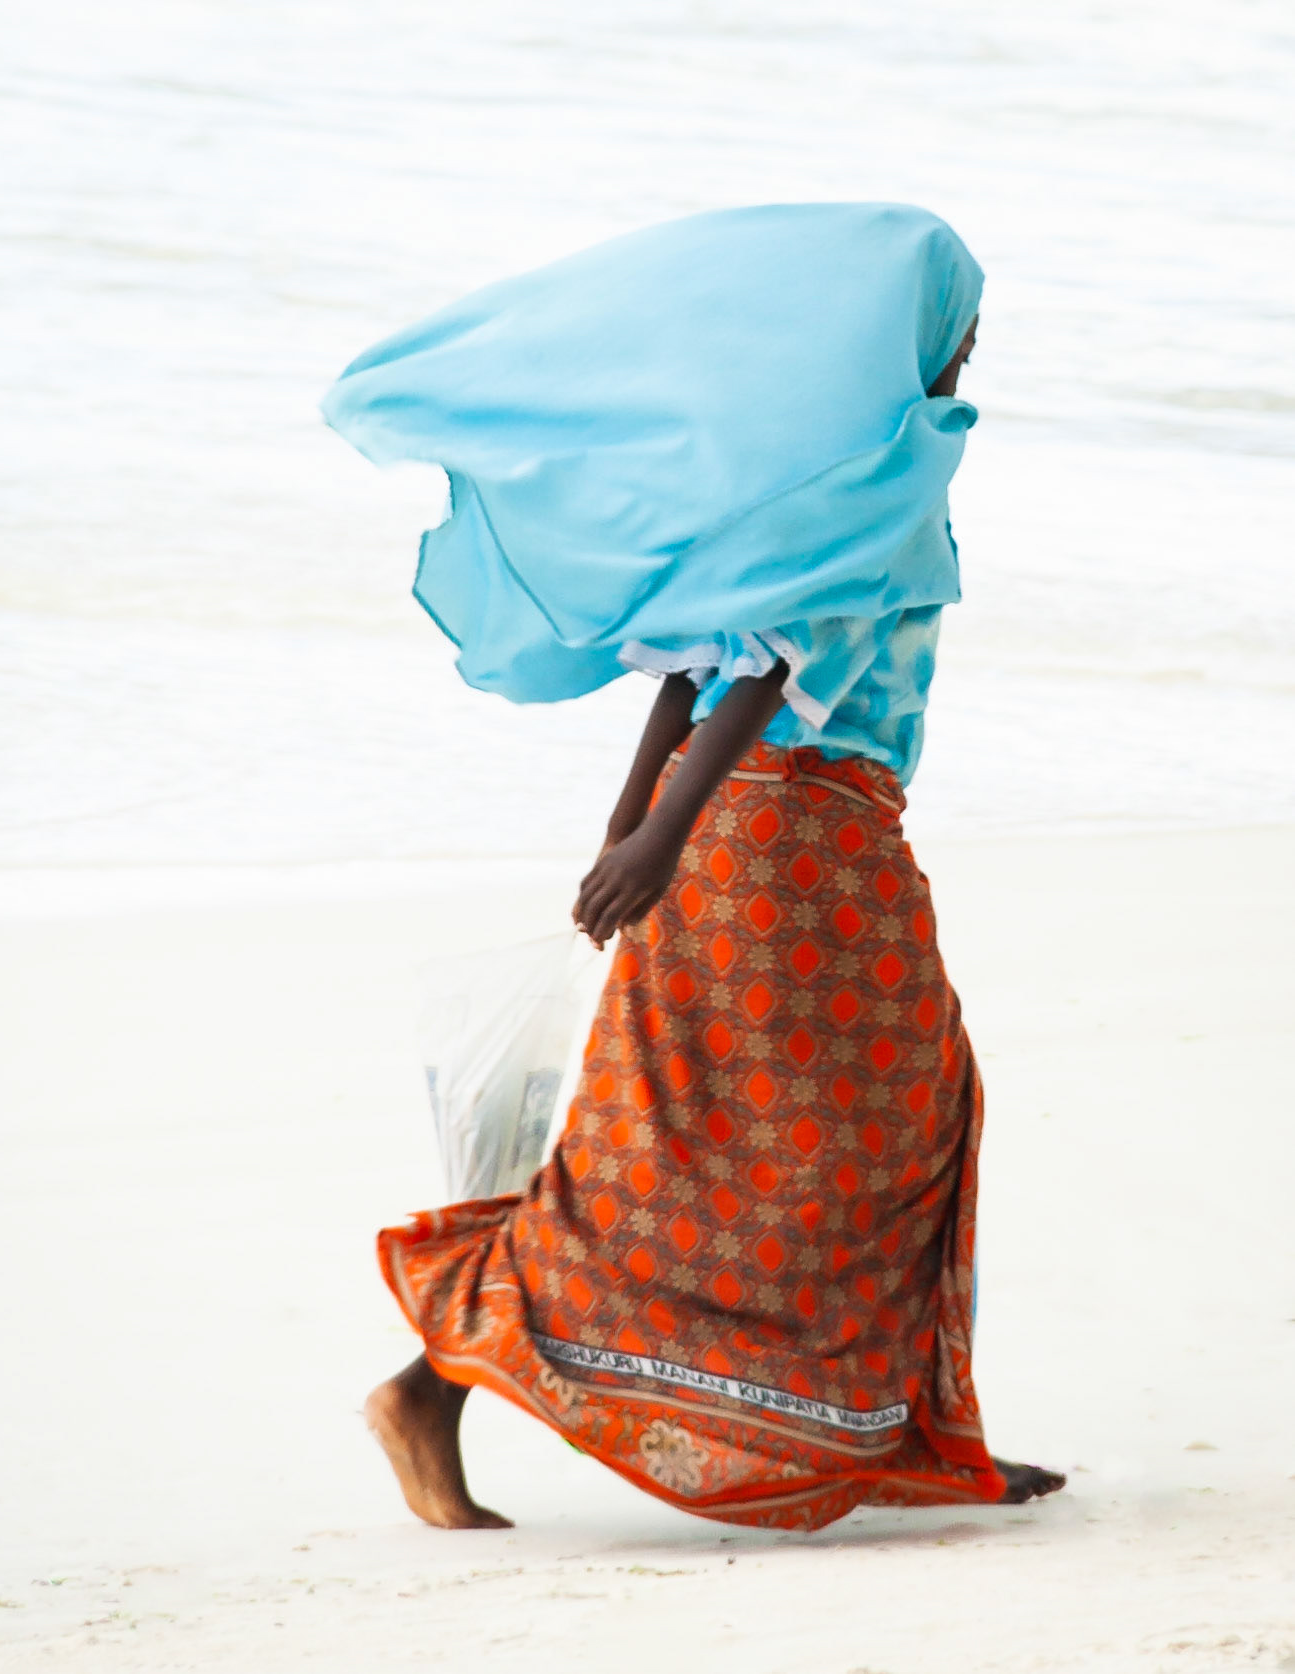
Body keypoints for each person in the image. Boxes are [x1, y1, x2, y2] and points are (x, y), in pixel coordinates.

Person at [322, 203, 1066, 1531]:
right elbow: (769, 660)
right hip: (796, 843)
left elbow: (695, 660)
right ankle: (447, 1382)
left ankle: (899, 1431)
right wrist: (653, 837)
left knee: (700, 1141)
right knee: (879, 1126)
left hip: (750, 833)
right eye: (950, 331)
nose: (963, 355)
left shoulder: (789, 472)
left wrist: (636, 824)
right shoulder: (883, 472)